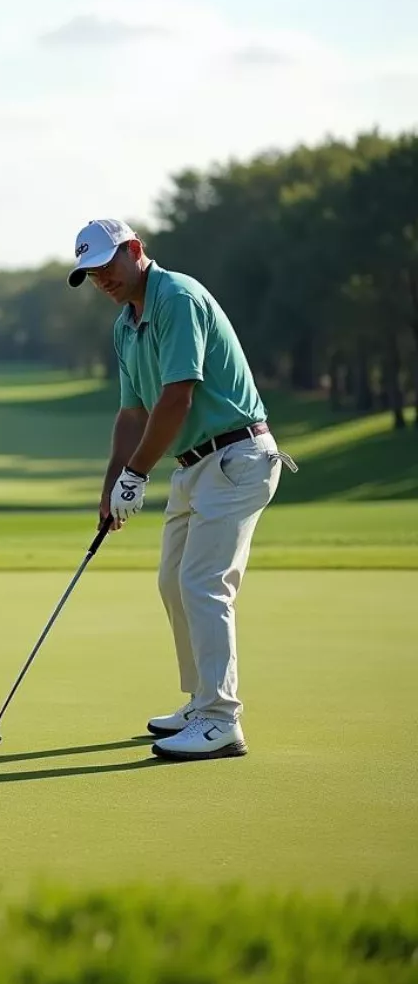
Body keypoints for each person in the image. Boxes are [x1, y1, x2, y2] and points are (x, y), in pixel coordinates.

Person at [67, 218, 296, 761]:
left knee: (202, 582)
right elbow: (132, 413)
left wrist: (138, 473)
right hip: (195, 465)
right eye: (91, 273)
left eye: (106, 265)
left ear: (135, 250)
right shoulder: (126, 325)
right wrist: (112, 485)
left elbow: (177, 397)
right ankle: (200, 702)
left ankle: (221, 719)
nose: (101, 279)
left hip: (238, 456)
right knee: (173, 581)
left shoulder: (178, 297)